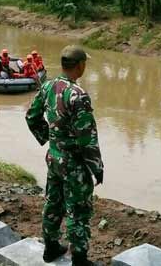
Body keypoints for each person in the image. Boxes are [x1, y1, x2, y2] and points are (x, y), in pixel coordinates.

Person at [25, 45, 103, 266]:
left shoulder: (48, 86)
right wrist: (97, 167)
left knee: (53, 202)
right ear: (80, 66)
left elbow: (31, 116)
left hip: (54, 158)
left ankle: (50, 248)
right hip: (74, 164)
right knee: (78, 209)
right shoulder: (78, 95)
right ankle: (79, 259)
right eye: (84, 63)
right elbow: (88, 138)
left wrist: (49, 139)